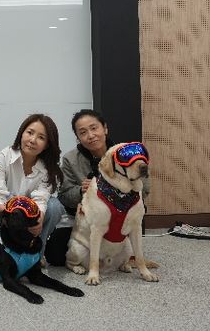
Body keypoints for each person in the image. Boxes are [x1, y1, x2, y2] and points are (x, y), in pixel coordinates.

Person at [46, 108, 151, 265]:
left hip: (122, 214)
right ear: (78, 138)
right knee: (55, 254)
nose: (90, 135)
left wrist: (116, 190)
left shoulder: (127, 152)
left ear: (105, 128)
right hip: (84, 219)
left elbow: (145, 188)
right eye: (83, 132)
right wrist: (82, 191)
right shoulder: (70, 159)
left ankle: (125, 251)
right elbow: (64, 196)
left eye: (94, 128)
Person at [0, 113, 66, 257]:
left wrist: (39, 219)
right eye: (30, 132)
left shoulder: (49, 168)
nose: (32, 140)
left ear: (47, 145)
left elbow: (41, 198)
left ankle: (36, 254)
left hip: (33, 214)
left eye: (41, 137)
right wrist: (7, 215)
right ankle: (7, 244)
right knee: (6, 201)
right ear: (22, 133)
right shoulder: (4, 156)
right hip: (6, 211)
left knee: (55, 207)